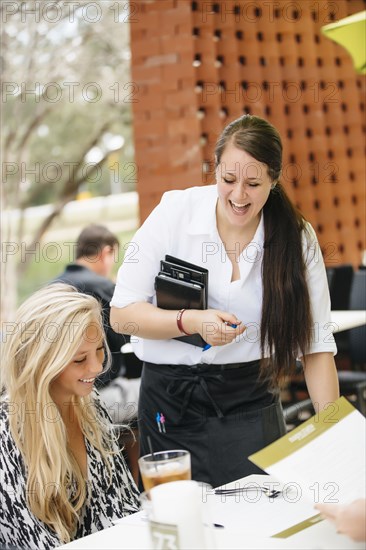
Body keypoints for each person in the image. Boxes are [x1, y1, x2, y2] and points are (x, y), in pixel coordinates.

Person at [110, 114, 340, 487]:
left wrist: (333, 434)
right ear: (214, 169)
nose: (238, 195)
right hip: (170, 406)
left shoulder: (297, 239)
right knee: (179, 528)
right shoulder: (174, 215)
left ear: (274, 180)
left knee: (260, 525)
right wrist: (190, 321)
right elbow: (122, 315)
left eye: (253, 183)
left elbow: (315, 346)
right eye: (228, 180)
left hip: (249, 404)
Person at [0, 284, 139, 549]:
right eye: (79, 360)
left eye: (99, 349)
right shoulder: (7, 436)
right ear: (41, 362)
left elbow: (124, 509)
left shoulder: (89, 404)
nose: (97, 367)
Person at [52, 224, 141, 422]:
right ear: (106, 252)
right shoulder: (101, 286)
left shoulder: (54, 286)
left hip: (58, 395)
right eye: (113, 258)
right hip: (96, 393)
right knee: (152, 388)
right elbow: (134, 330)